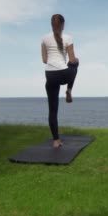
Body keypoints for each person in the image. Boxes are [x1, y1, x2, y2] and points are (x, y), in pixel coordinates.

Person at [42, 14, 79, 148]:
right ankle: (69, 90)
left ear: (52, 25)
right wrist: (70, 63)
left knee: (52, 110)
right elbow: (72, 59)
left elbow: (45, 60)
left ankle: (56, 141)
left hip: (50, 75)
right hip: (64, 74)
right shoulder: (68, 38)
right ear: (62, 25)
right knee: (77, 62)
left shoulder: (44, 39)